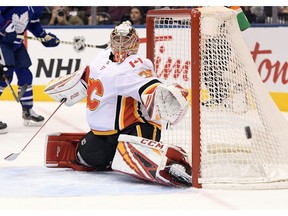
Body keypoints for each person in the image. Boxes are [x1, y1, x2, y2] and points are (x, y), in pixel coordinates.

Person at [44, 21, 192, 187]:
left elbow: (148, 85)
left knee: (133, 157)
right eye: (118, 39)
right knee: (85, 158)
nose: (121, 44)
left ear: (135, 43)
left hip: (134, 128)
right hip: (102, 134)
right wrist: (69, 86)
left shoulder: (136, 64)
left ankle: (172, 164)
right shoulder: (100, 59)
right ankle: (115, 157)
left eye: (125, 39)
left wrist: (162, 93)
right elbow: (86, 78)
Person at [0, 6, 60, 133]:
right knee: (4, 76)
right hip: (2, 42)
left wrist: (43, 36)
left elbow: (33, 23)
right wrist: (3, 27)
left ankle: (27, 111)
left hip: (17, 44)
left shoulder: (37, 6)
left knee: (25, 75)